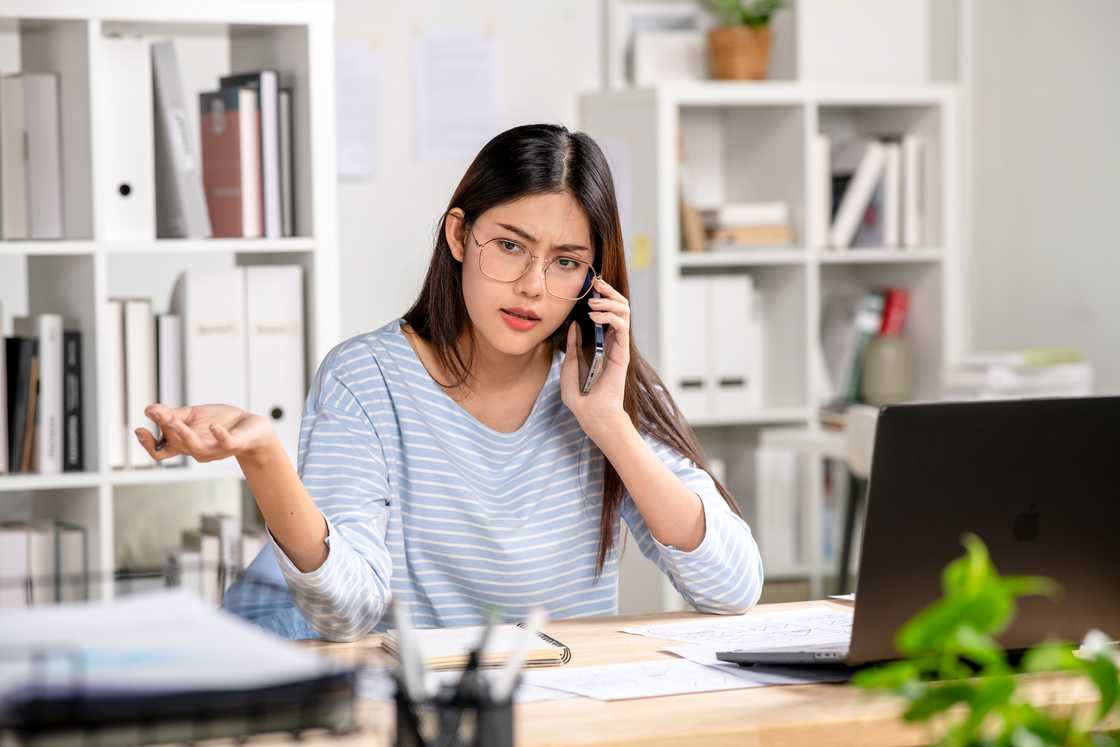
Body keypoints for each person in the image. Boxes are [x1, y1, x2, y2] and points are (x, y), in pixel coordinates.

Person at [136, 124, 763, 641]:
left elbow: (733, 589)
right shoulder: (366, 379)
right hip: (426, 713)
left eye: (566, 262)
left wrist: (608, 426)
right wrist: (265, 458)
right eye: (511, 246)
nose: (533, 287)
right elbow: (345, 613)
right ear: (459, 234)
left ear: (593, 279)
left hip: (571, 716)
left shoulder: (604, 385)